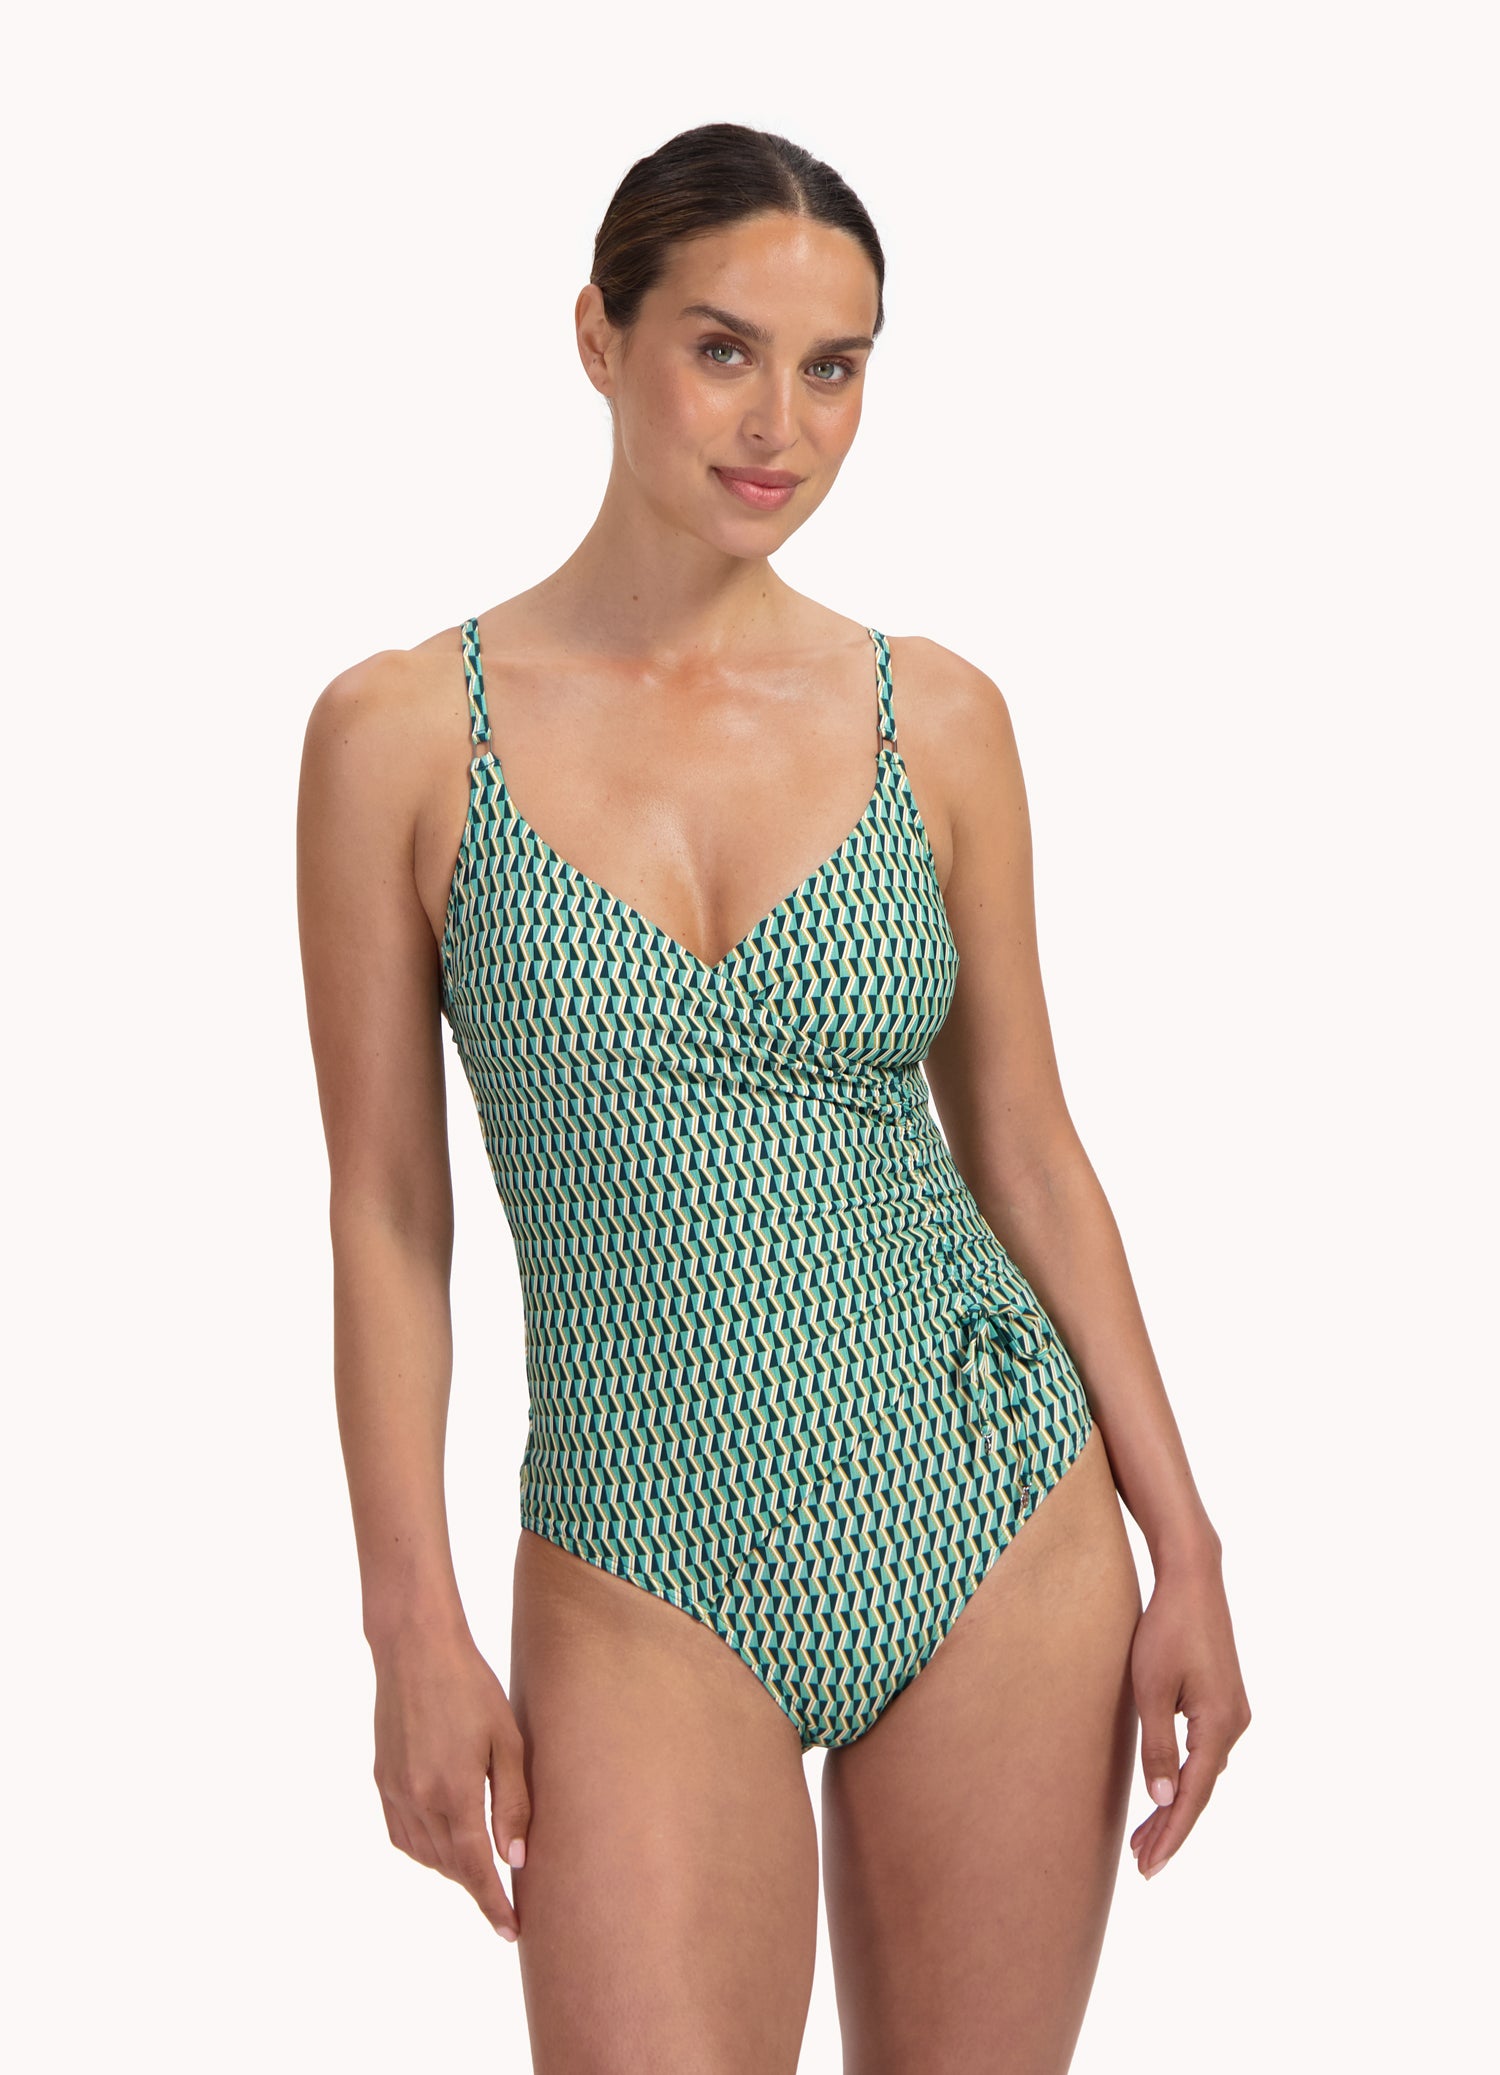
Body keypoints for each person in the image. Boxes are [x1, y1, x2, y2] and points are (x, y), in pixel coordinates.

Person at [297, 120, 1250, 2072]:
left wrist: (1191, 1548)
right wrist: (410, 1629)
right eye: (723, 349)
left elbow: (1029, 1148)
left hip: (991, 1511)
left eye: (836, 368)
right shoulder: (401, 737)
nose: (780, 426)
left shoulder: (936, 720)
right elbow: (388, 1213)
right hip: (639, 1554)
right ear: (598, 334)